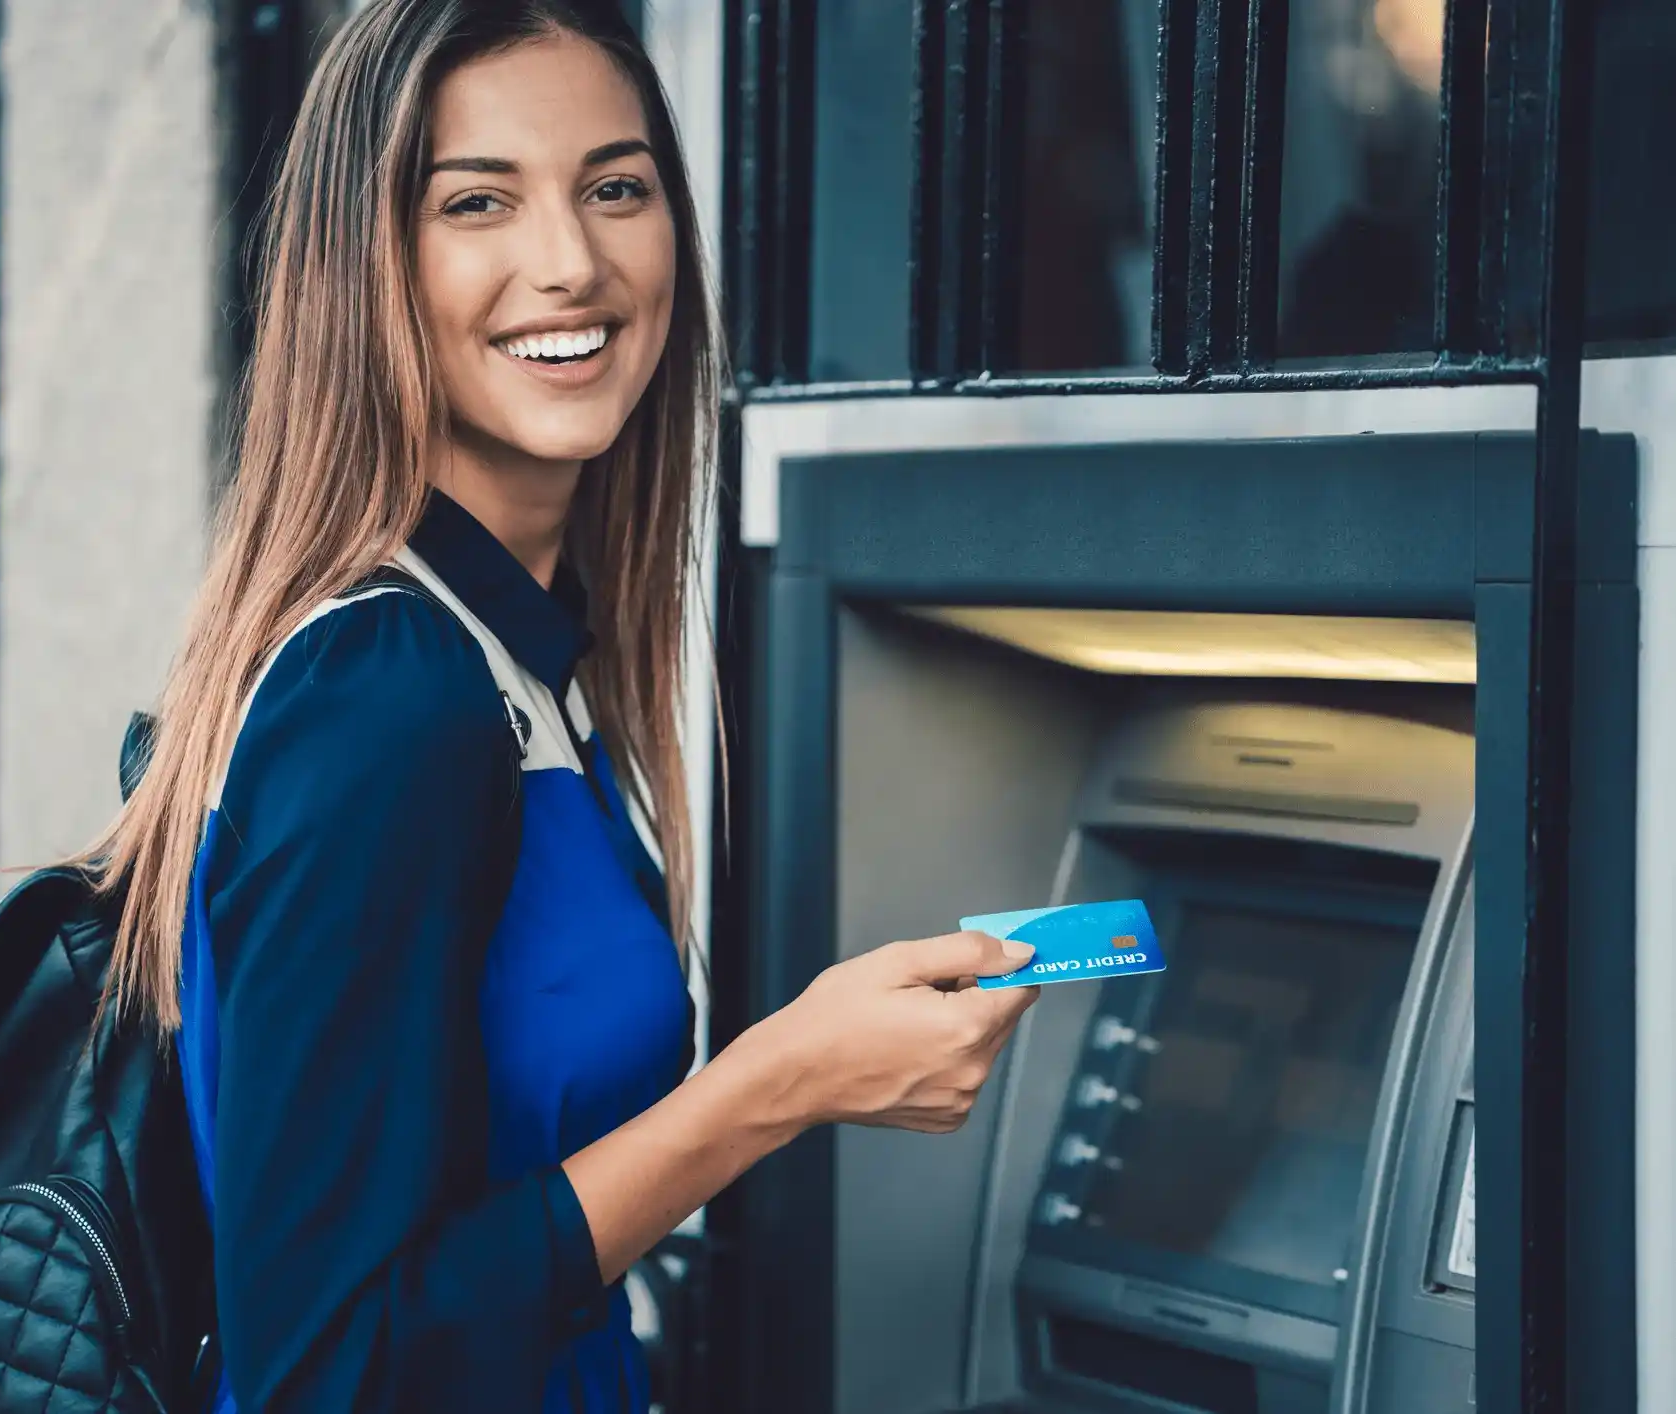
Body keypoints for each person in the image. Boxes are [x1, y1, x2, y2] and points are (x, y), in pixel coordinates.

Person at [83, 2, 1042, 1410]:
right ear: (370, 267)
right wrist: (775, 1084)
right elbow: (327, 1368)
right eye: (479, 201)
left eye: (616, 187)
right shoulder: (390, 694)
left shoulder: (509, 651)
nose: (572, 263)